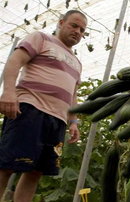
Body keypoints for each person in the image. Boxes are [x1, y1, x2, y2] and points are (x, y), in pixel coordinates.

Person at [0, 10, 87, 201]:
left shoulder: (77, 63)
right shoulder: (40, 38)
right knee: (6, 165)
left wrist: (73, 121)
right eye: (74, 25)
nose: (78, 32)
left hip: (57, 120)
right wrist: (8, 92)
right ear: (61, 22)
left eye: (82, 30)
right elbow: (15, 61)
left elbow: (73, 94)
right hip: (30, 109)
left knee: (35, 172)